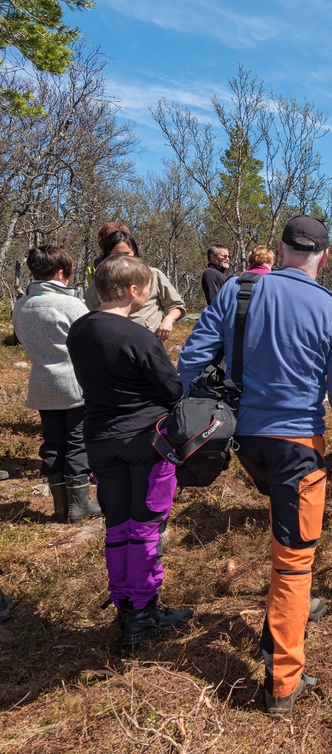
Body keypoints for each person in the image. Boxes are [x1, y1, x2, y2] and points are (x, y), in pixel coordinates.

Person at [179, 215, 332, 716]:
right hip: (297, 447)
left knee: (286, 542)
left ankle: (279, 628)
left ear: (280, 249)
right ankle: (283, 679)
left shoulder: (237, 290)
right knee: (295, 559)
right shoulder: (330, 309)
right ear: (323, 257)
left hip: (244, 442)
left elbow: (190, 363)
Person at [65, 255, 190, 645]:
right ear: (134, 291)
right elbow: (171, 389)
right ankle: (142, 613)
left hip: (100, 439)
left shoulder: (79, 330)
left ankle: (124, 603)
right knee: (146, 526)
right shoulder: (138, 336)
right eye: (148, 288)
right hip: (145, 442)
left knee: (117, 525)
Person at [12, 246, 102, 523]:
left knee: (52, 443)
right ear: (60, 272)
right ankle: (79, 505)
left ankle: (60, 506)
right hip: (73, 383)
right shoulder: (71, 305)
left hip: (40, 383)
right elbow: (92, 341)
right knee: (77, 442)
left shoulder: (21, 305)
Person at [84, 223, 186, 343]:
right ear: (108, 256)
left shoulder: (153, 275)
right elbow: (91, 313)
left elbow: (176, 305)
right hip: (114, 344)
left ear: (134, 252)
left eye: (127, 254)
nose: (123, 258)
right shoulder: (100, 282)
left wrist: (168, 320)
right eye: (117, 255)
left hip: (150, 343)